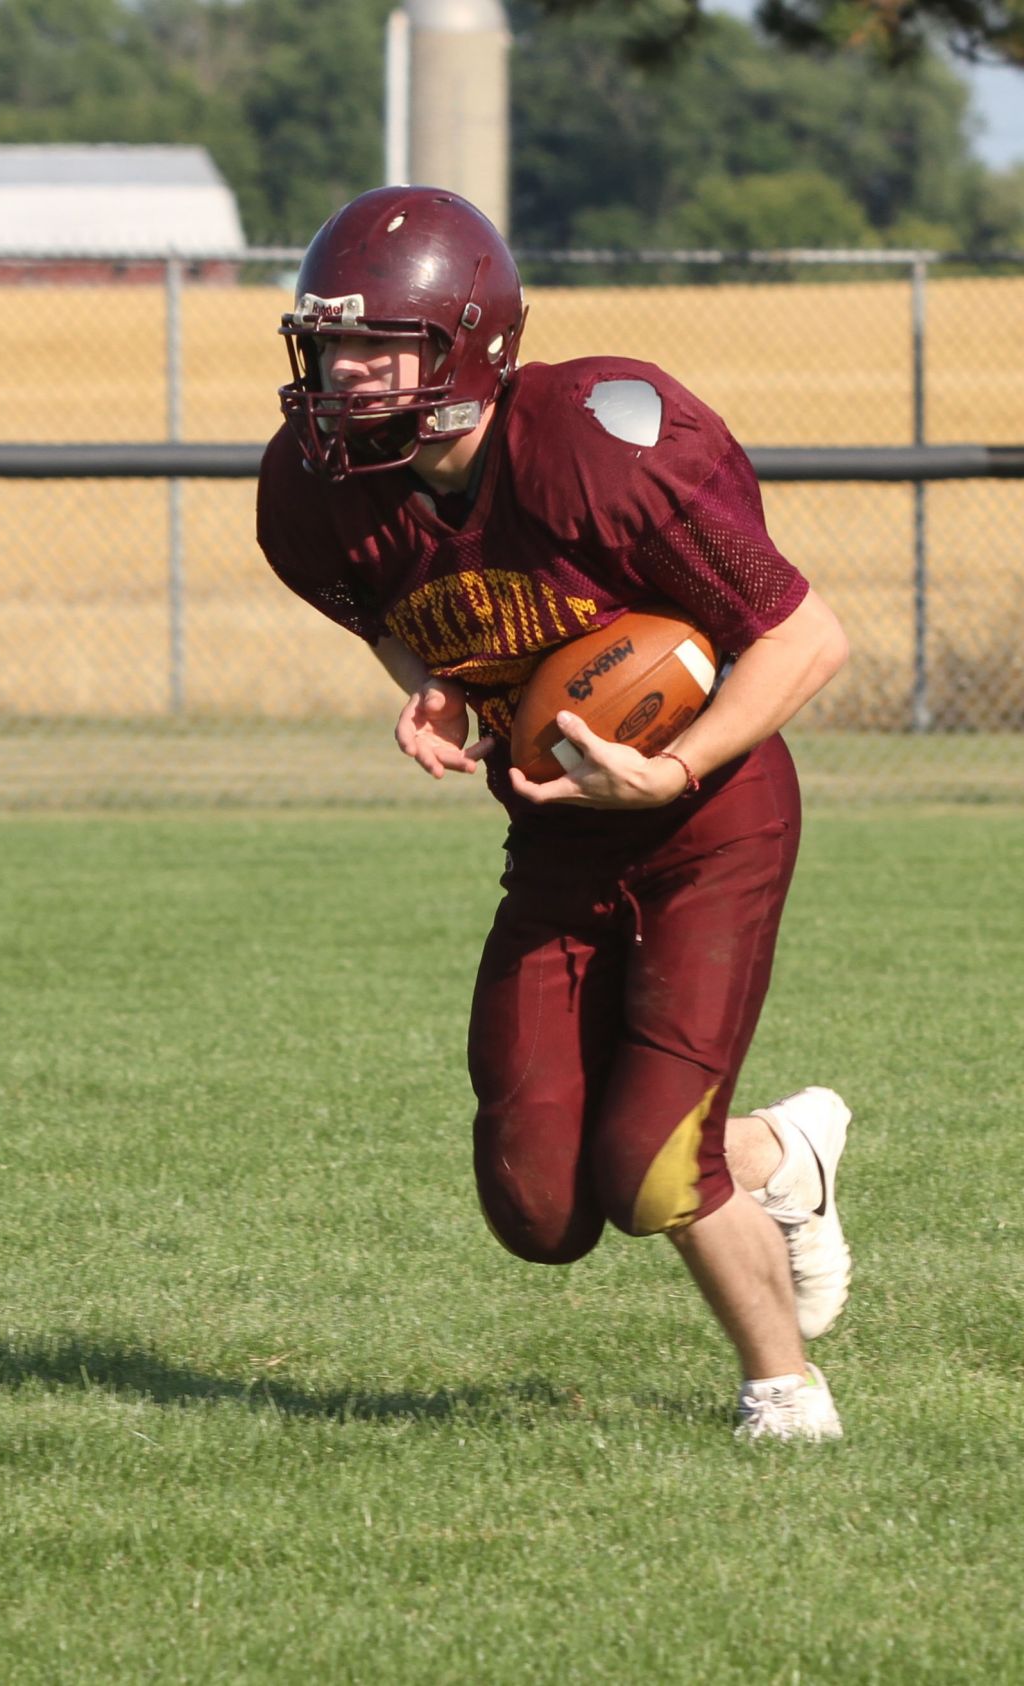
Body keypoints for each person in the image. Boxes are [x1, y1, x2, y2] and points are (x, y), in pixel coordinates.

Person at [256, 186, 854, 1442]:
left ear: (467, 346)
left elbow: (803, 636)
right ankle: (777, 1159)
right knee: (537, 1210)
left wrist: (673, 768)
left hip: (710, 818)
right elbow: (393, 619)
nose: (346, 375)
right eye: (331, 346)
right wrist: (431, 689)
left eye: (381, 346)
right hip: (553, 831)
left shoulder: (596, 443)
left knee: (647, 1168)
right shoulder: (313, 494)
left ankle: (782, 1392)